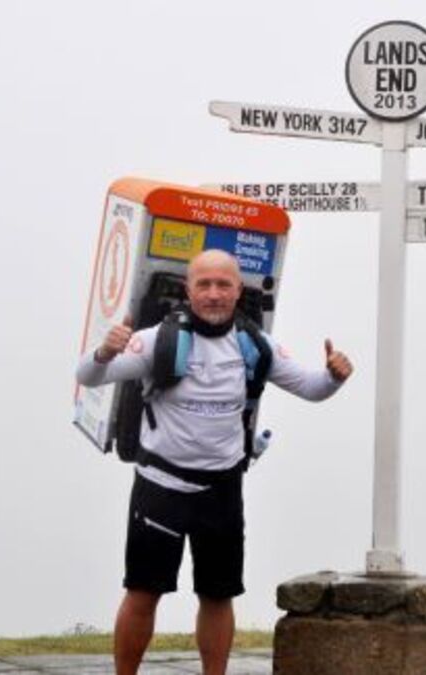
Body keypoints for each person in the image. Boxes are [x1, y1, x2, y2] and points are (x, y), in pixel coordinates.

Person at [76, 249, 353, 675]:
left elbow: (311, 388)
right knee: (143, 592)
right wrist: (103, 353)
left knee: (218, 595)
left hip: (222, 490)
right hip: (160, 488)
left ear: (238, 290)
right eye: (203, 284)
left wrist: (333, 376)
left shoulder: (255, 345)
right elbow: (87, 377)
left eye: (223, 285)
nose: (213, 294)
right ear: (188, 290)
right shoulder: (156, 340)